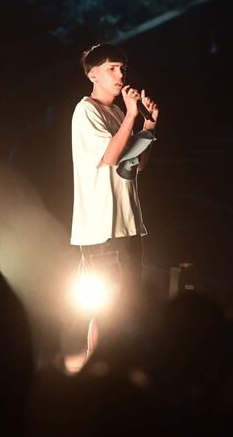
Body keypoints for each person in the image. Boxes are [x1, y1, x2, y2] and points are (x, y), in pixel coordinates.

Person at [70, 43, 159, 353]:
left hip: (127, 226)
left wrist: (148, 124)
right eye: (112, 68)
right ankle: (97, 369)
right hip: (101, 230)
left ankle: (116, 368)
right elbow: (109, 157)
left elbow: (135, 166)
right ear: (93, 74)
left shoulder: (118, 112)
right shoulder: (86, 110)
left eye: (122, 68)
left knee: (129, 308)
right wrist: (132, 115)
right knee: (108, 310)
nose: (120, 75)